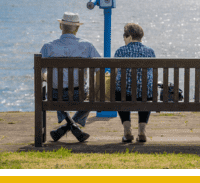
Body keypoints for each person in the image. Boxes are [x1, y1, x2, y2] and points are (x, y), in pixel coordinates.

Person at [40, 12, 101, 143]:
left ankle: (68, 126)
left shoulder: (48, 46)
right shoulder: (87, 46)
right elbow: (99, 70)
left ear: (60, 26)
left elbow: (39, 73)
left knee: (54, 90)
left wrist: (47, 78)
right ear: (77, 28)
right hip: (79, 94)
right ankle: (73, 126)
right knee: (93, 95)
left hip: (55, 95)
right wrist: (94, 90)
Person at [114, 23, 156, 143]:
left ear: (130, 37)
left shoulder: (120, 51)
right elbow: (151, 74)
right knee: (146, 90)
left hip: (124, 94)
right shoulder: (150, 52)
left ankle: (127, 131)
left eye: (124, 35)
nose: (123, 38)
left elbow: (116, 73)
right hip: (145, 95)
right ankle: (142, 131)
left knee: (119, 90)